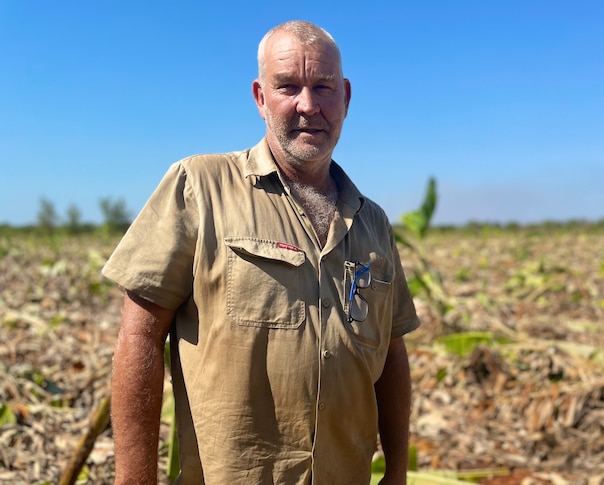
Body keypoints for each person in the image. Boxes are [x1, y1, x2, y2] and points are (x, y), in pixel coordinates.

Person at [103, 20, 420, 484]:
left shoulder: (373, 222)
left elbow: (392, 354)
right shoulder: (200, 186)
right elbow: (139, 339)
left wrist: (396, 472)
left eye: (323, 87)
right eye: (288, 86)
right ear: (260, 97)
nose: (308, 105)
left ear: (346, 98)